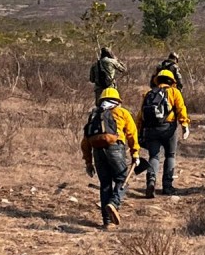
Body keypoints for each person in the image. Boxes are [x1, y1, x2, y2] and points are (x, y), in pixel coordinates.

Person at [81, 87, 140, 228]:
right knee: (121, 179)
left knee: (105, 184)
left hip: (97, 150)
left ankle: (107, 221)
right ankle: (114, 203)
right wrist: (135, 153)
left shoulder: (94, 115)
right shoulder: (122, 112)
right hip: (115, 148)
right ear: (118, 101)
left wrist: (89, 163)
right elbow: (132, 134)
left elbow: (85, 141)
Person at [137, 69, 190, 197]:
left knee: (154, 156)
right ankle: (167, 186)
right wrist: (185, 125)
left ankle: (151, 181)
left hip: (151, 129)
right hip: (168, 129)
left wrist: (139, 132)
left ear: (157, 80)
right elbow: (181, 109)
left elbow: (141, 115)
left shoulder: (149, 94)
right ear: (171, 81)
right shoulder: (174, 92)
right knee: (170, 156)